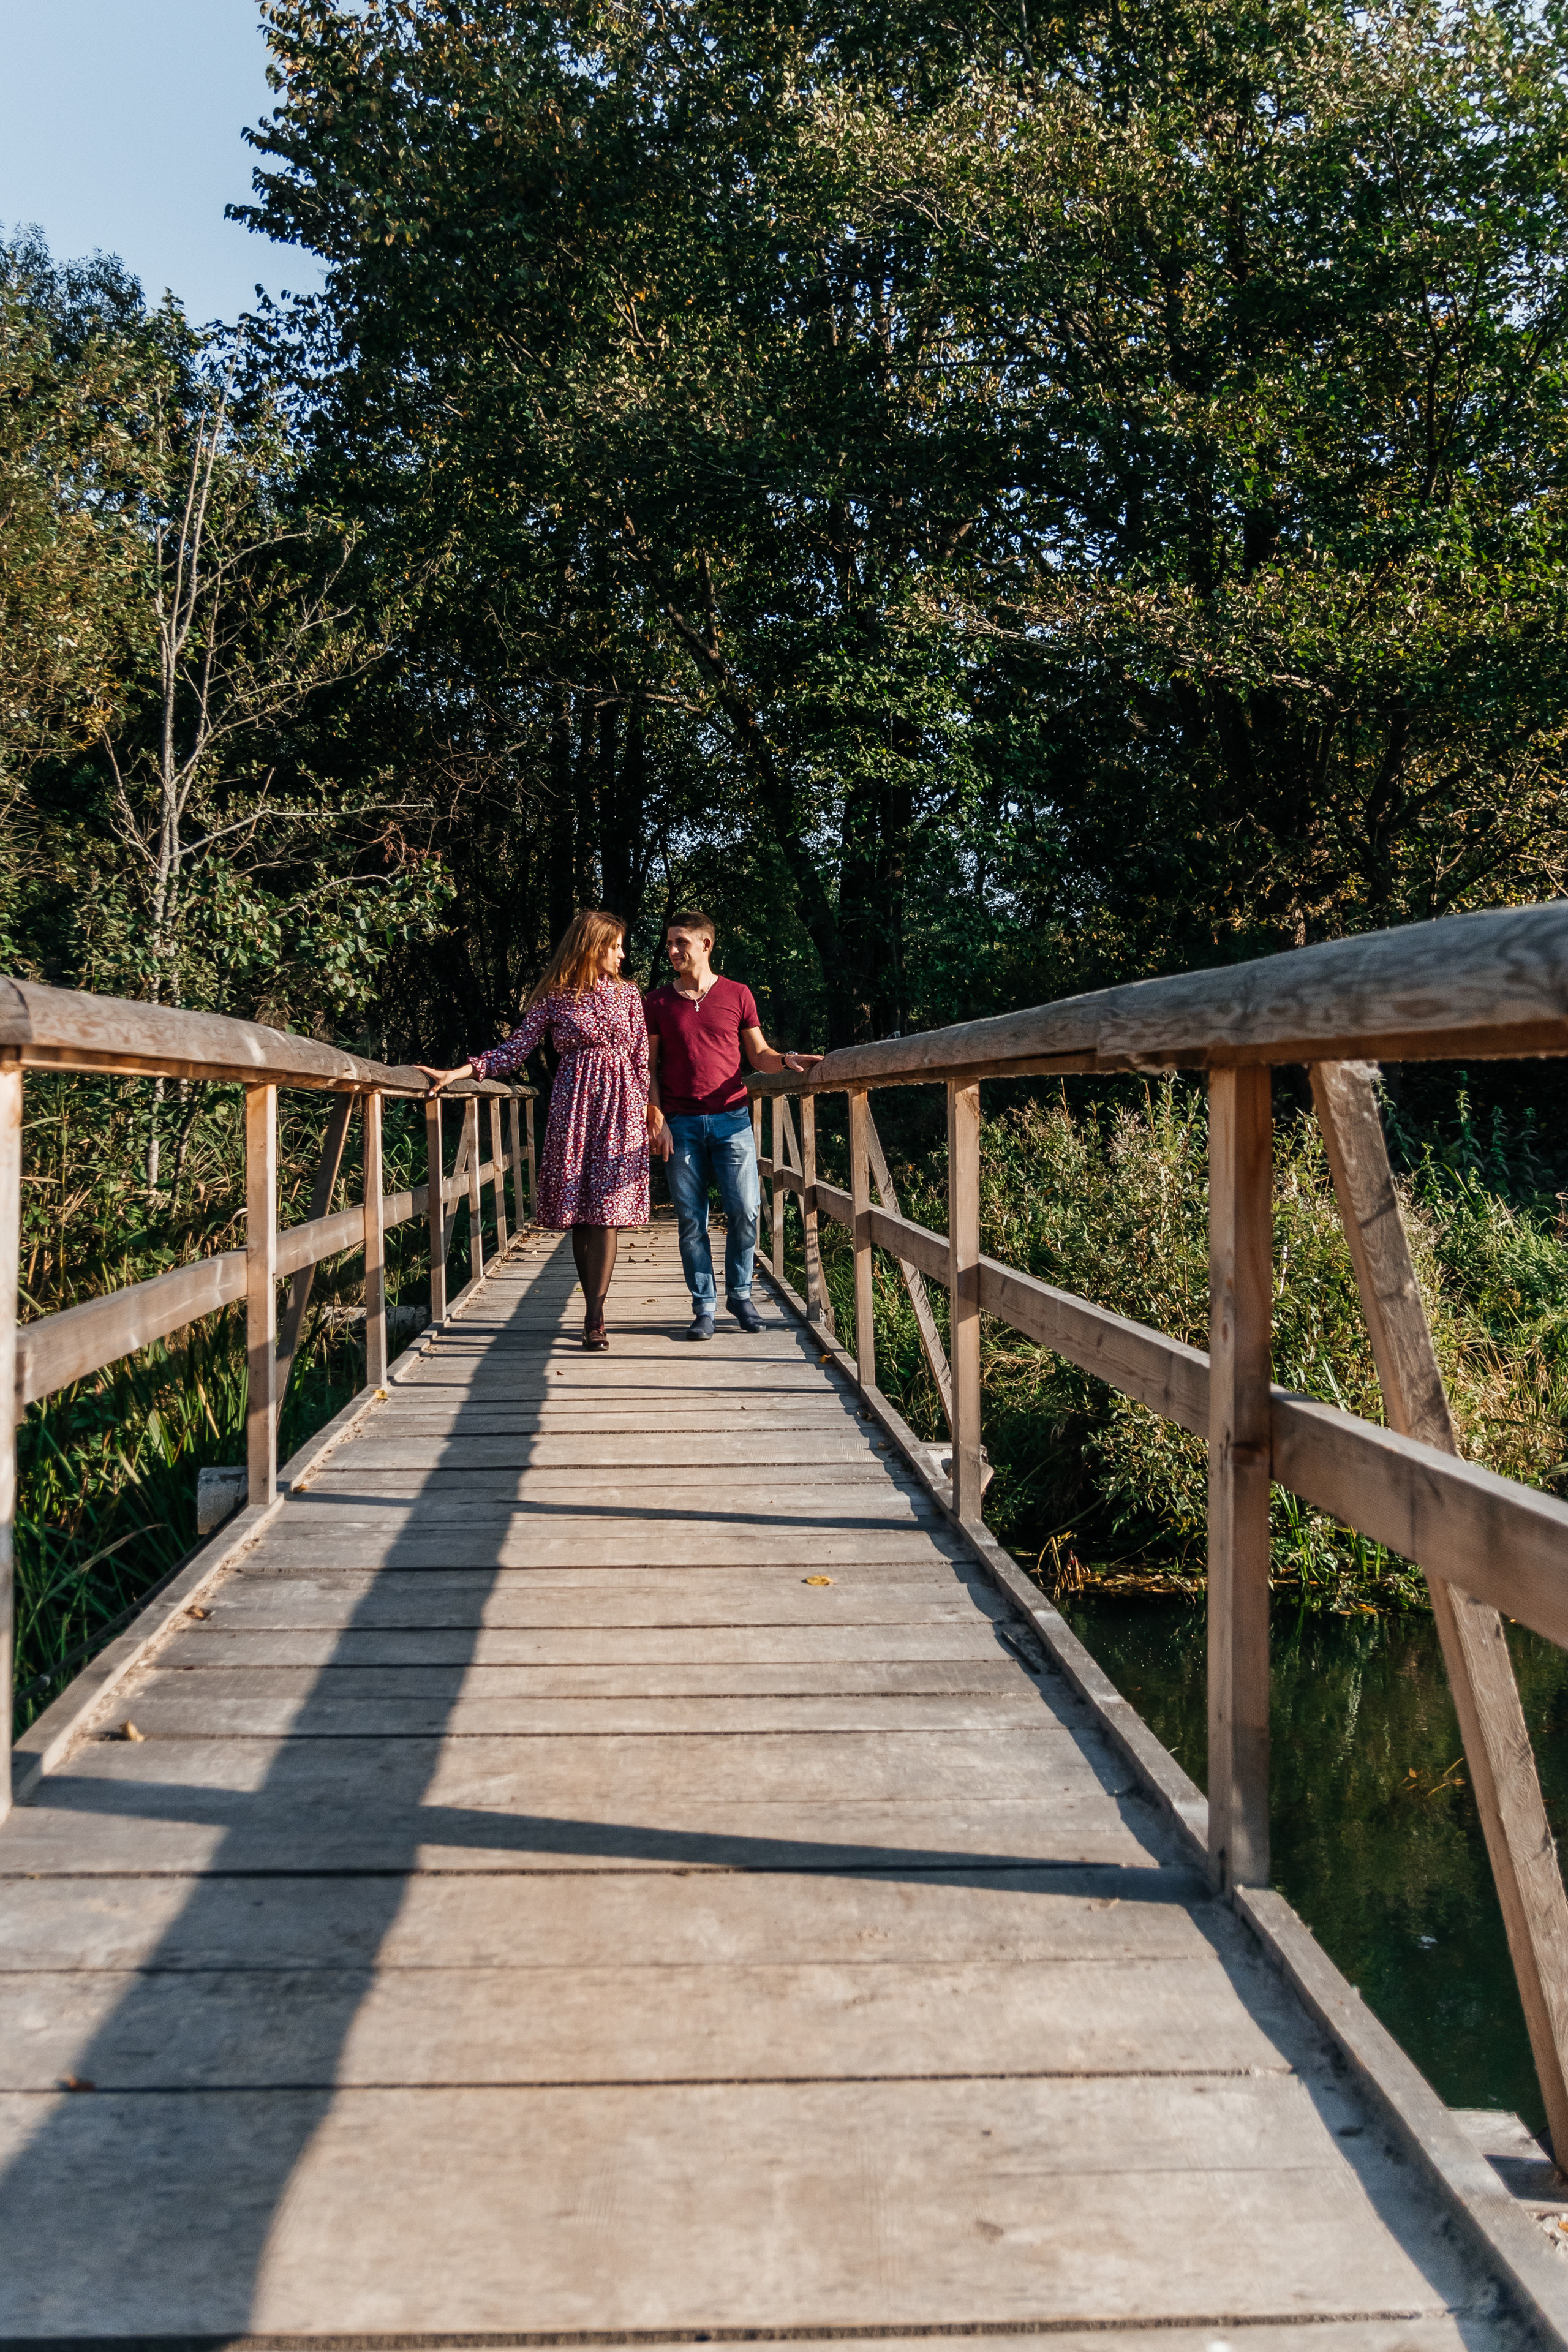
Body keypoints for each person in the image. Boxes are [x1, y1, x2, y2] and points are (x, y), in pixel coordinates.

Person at [419, 910, 662, 1350]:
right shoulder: (557, 996)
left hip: (621, 1107)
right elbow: (515, 1049)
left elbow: (641, 1057)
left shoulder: (630, 995)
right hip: (574, 1108)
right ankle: (593, 1304)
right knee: (581, 1217)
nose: (623, 955)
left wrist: (646, 1108)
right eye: (615, 946)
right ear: (593, 946)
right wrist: (460, 1072)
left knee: (606, 1212)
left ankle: (595, 1316)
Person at [645, 906, 820, 1341]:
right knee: (691, 1220)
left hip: (732, 1121)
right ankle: (703, 1306)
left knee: (745, 1209)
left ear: (706, 944)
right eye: (669, 943)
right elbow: (647, 1067)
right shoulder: (658, 1002)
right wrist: (656, 1115)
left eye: (680, 942)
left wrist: (787, 1060)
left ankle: (740, 1295)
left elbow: (758, 1056)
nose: (672, 950)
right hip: (681, 1124)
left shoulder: (738, 994)